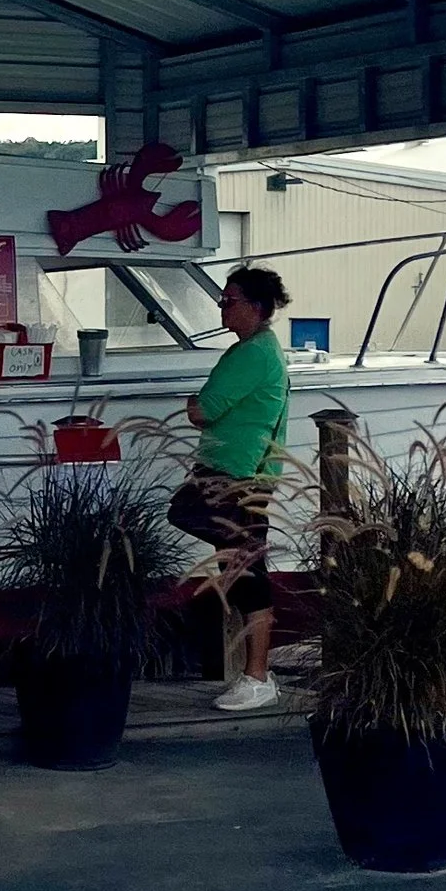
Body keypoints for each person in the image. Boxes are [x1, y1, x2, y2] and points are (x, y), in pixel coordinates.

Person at [169, 265, 291, 713]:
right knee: (241, 564)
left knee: (246, 571)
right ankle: (258, 675)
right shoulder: (264, 350)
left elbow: (201, 411)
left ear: (256, 307)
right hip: (242, 474)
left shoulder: (251, 355)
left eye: (229, 301)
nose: (222, 307)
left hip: (234, 475)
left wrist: (194, 404)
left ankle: (257, 676)